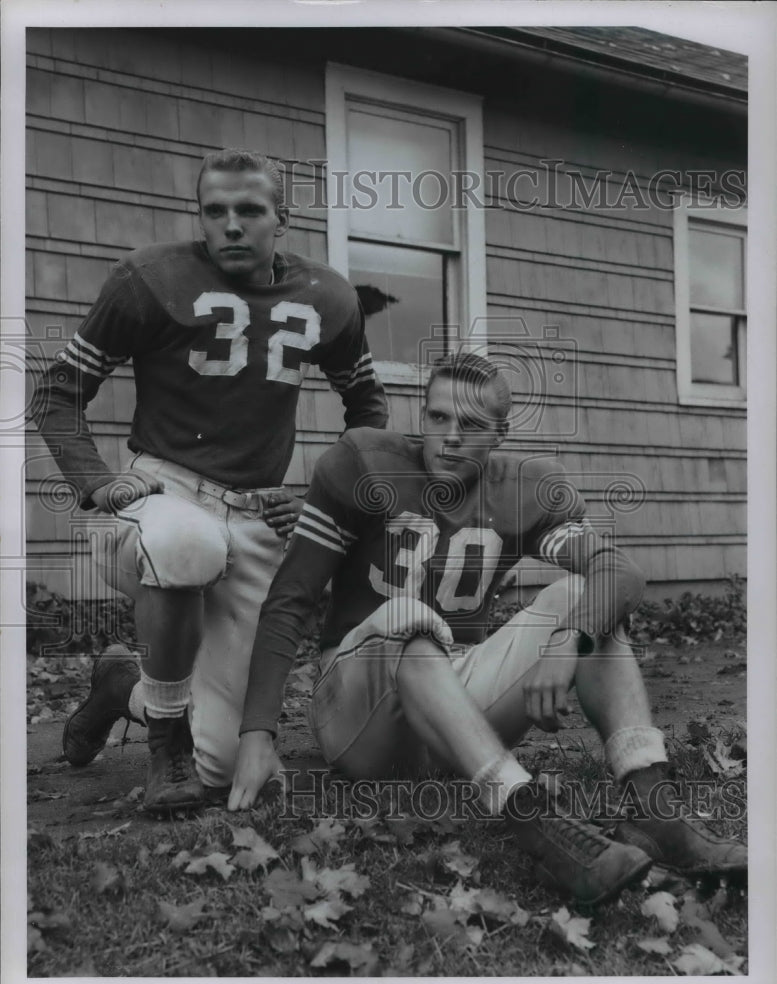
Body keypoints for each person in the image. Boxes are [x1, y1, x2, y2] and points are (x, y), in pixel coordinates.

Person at [228, 351, 746, 905]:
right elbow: (289, 600)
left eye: (471, 425)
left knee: (584, 598)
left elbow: (619, 571)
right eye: (438, 418)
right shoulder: (362, 465)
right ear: (422, 416)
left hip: (458, 706)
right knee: (410, 618)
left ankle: (653, 807)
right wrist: (258, 734)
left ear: (500, 433)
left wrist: (570, 639)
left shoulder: (525, 488)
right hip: (360, 708)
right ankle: (531, 821)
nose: (449, 437)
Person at [33, 148, 388, 813]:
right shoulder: (149, 279)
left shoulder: (327, 297)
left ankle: (121, 688)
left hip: (254, 510)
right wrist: (98, 483)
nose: (230, 225)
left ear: (281, 218)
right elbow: (56, 393)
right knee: (187, 546)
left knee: (224, 763)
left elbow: (367, 410)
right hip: (161, 493)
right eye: (214, 210)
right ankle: (163, 750)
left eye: (249, 211)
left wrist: (318, 494)